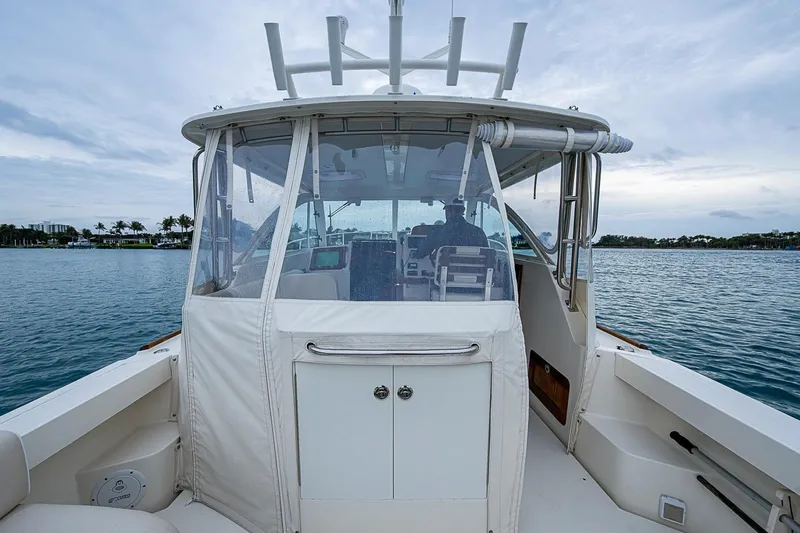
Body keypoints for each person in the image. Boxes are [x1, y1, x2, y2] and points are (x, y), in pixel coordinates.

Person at [414, 198, 488, 259]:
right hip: (476, 275)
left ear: (448, 211)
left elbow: (421, 253)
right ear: (463, 211)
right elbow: (487, 255)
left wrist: (414, 255)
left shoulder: (437, 232)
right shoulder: (479, 232)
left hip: (446, 276)